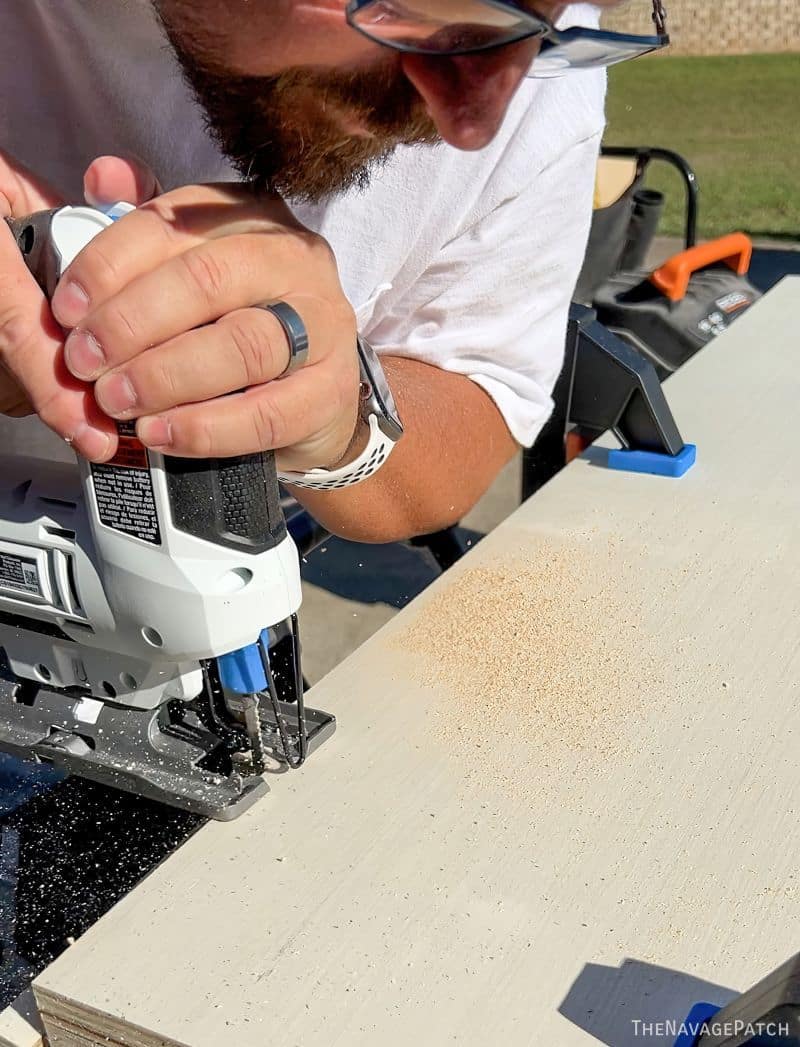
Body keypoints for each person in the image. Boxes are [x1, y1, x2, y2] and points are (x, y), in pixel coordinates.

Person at [0, 1, 660, 542]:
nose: (475, 122)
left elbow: (477, 394)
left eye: (538, 24)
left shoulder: (546, 86)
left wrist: (343, 421)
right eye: (424, 8)